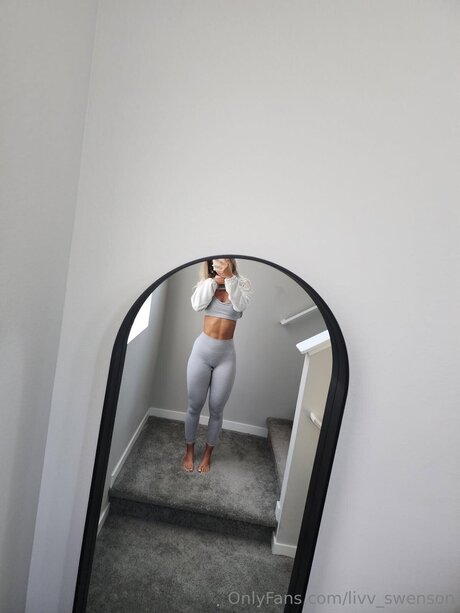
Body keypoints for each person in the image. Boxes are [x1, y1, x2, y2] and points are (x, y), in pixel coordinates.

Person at [182, 258, 252, 473]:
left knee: (217, 409)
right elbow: (197, 305)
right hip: (201, 353)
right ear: (211, 264)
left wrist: (230, 279)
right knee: (194, 406)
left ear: (231, 261)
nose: (220, 263)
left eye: (224, 260)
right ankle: (189, 451)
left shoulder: (242, 284)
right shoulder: (206, 284)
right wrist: (213, 282)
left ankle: (207, 455)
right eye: (216, 261)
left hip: (225, 356)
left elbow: (241, 306)